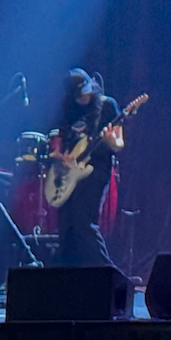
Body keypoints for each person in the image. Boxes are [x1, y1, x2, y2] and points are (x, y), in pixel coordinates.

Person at [51, 68, 124, 267]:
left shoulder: (107, 106)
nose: (84, 99)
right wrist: (59, 155)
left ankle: (107, 273)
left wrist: (111, 141)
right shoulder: (69, 109)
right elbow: (61, 138)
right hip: (70, 171)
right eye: (80, 96)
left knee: (83, 223)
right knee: (67, 226)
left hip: (96, 170)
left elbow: (119, 143)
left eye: (86, 93)